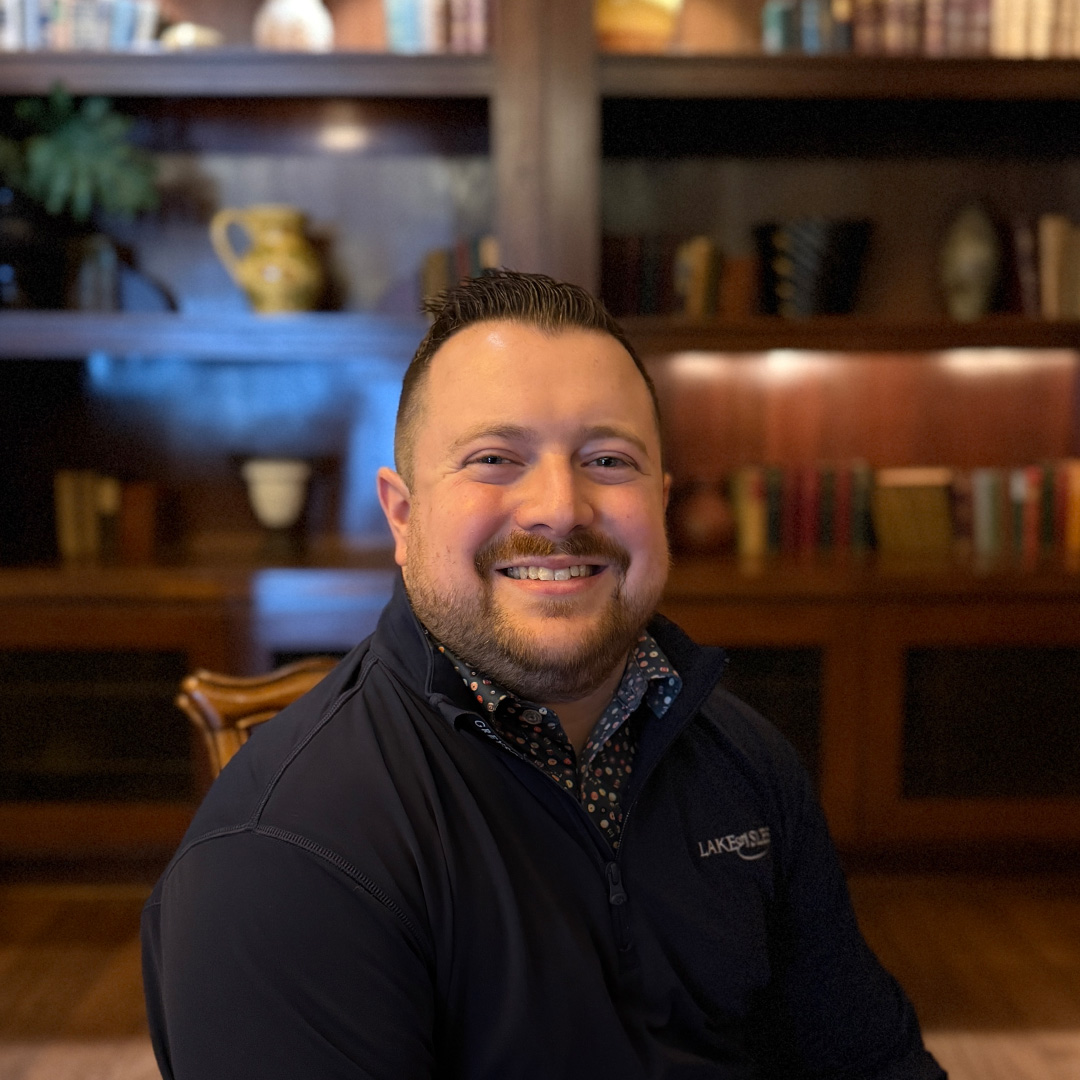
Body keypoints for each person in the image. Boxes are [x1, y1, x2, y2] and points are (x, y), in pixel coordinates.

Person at [142, 271, 945, 1080]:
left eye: (608, 459)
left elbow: (874, 1065)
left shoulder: (748, 761)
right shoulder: (279, 856)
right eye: (494, 459)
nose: (561, 508)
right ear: (403, 515)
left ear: (661, 504)